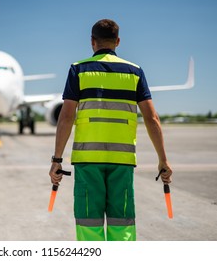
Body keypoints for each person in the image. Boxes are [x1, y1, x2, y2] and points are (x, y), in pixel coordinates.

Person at [49, 19, 172, 241]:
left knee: (89, 223)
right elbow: (151, 118)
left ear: (92, 42)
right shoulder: (135, 72)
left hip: (88, 160)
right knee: (121, 223)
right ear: (117, 41)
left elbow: (66, 116)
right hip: (122, 161)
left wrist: (57, 159)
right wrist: (163, 160)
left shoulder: (78, 70)